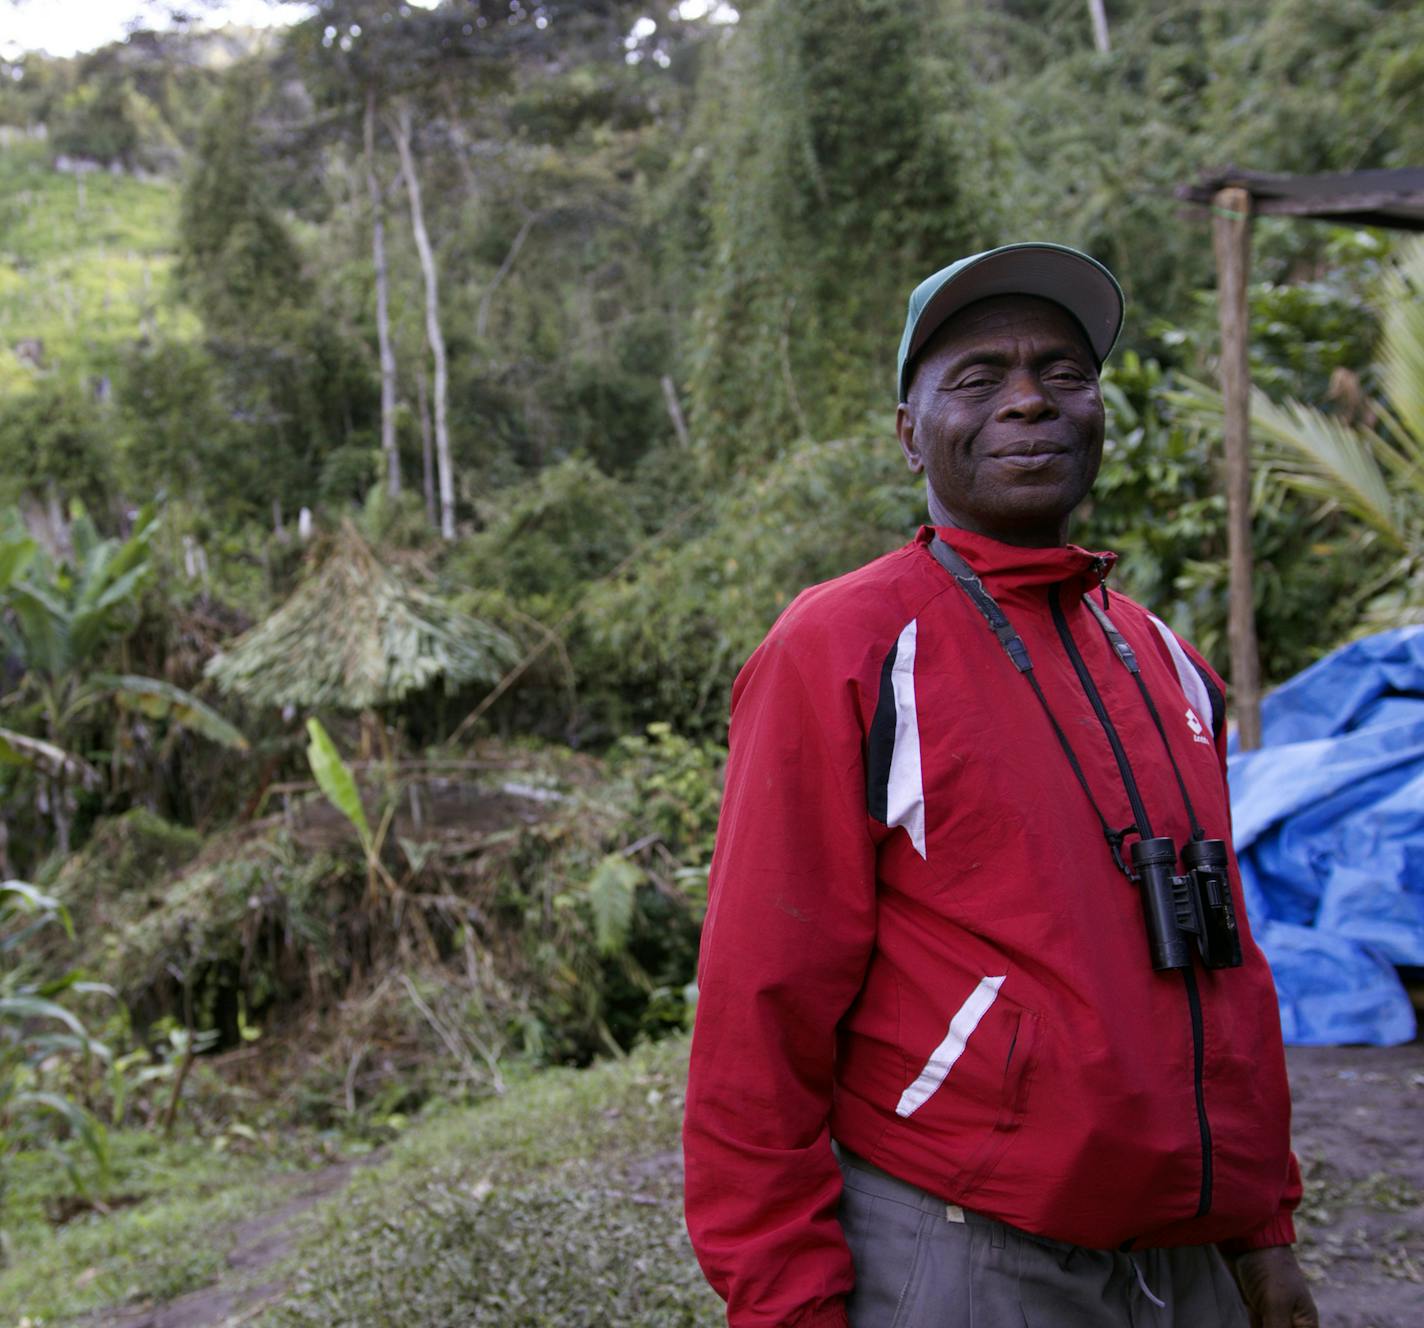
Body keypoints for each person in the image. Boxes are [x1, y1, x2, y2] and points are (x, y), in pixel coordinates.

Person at [682, 243, 1320, 1328]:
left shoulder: (1160, 658)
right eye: (976, 378)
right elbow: (760, 1000)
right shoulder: (839, 647)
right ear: (906, 432)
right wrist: (784, 1300)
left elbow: (1225, 958)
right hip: (965, 1251)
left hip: (1187, 1254)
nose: (1027, 399)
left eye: (1061, 371)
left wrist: (1260, 1234)